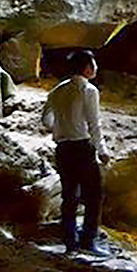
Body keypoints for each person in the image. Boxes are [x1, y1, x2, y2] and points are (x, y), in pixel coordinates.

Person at [41, 48, 105, 253]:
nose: (95, 68)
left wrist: (62, 127)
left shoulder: (57, 90)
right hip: (82, 148)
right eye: (93, 64)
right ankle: (88, 241)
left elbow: (46, 120)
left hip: (63, 149)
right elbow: (95, 124)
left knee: (69, 196)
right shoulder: (88, 90)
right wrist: (102, 149)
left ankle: (70, 242)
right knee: (93, 195)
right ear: (86, 68)